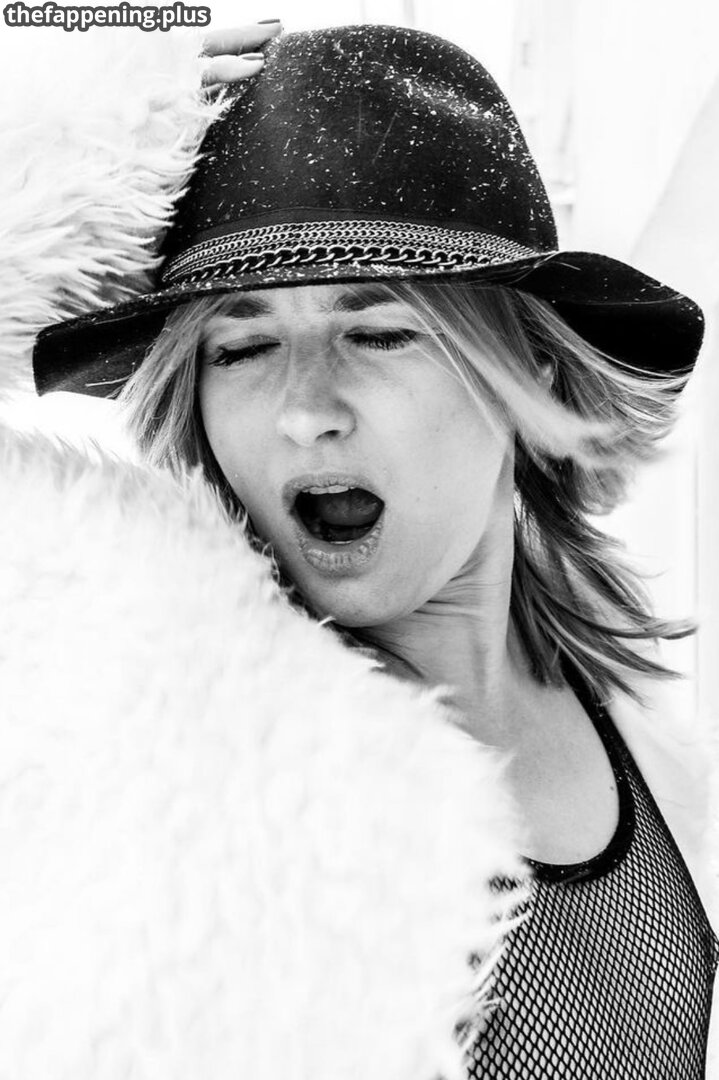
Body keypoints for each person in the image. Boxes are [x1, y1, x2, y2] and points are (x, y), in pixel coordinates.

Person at [30, 22, 718, 1078]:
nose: (306, 410)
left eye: (379, 331)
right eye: (243, 345)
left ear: (526, 372)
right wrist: (73, 154)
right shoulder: (164, 718)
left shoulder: (643, 739)